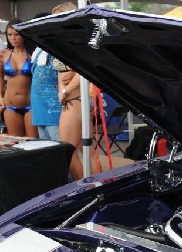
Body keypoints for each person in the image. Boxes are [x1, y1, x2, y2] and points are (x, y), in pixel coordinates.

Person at [52, 1, 100, 179]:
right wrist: (63, 88)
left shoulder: (77, 40)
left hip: (74, 101)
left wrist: (64, 90)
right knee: (87, 150)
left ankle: (85, 191)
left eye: (59, 17)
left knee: (67, 151)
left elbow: (85, 71)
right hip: (75, 100)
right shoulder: (67, 39)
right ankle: (97, 188)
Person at [0, 19, 38, 137]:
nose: (13, 38)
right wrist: (0, 97)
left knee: (33, 144)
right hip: (10, 105)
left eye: (17, 34)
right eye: (9, 34)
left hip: (31, 105)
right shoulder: (3, 54)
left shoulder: (33, 53)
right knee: (16, 145)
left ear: (24, 34)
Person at [30, 12, 60, 141]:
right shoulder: (38, 51)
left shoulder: (59, 49)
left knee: (61, 152)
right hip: (39, 112)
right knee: (48, 154)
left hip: (55, 113)